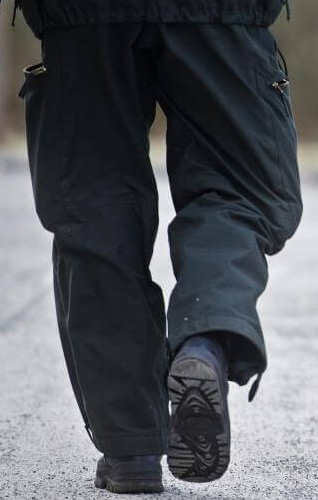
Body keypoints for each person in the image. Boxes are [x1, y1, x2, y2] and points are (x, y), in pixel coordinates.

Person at [13, 0, 302, 493]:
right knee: (235, 195)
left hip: (80, 19)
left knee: (95, 209)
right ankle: (204, 341)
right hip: (222, 12)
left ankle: (132, 449)